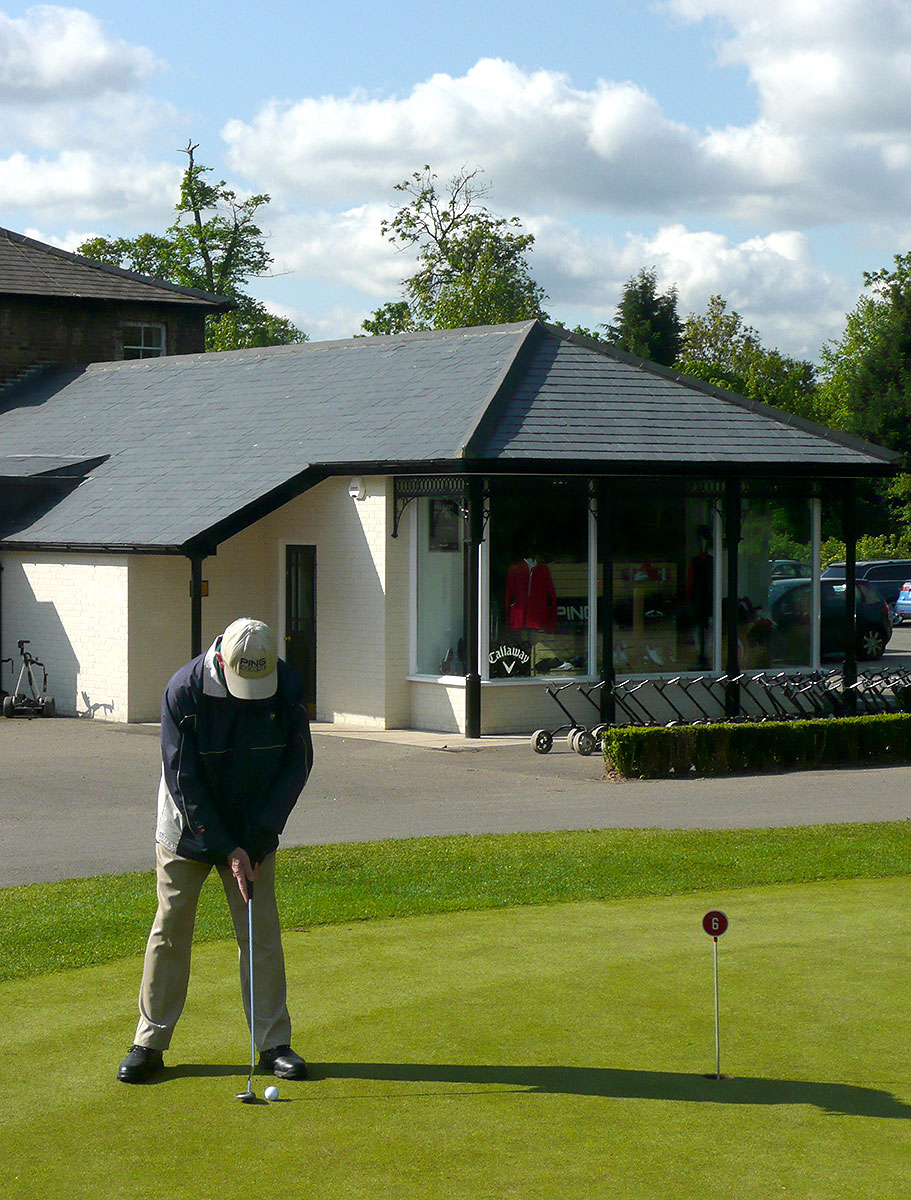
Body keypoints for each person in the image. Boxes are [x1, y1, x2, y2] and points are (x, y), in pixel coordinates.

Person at [117, 618, 314, 1085]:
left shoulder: (285, 685)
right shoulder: (183, 692)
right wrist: (226, 848)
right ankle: (149, 1042)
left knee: (260, 930)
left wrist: (258, 839)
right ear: (222, 662)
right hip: (187, 826)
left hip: (252, 826)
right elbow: (183, 780)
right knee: (170, 928)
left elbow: (297, 764)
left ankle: (273, 1043)